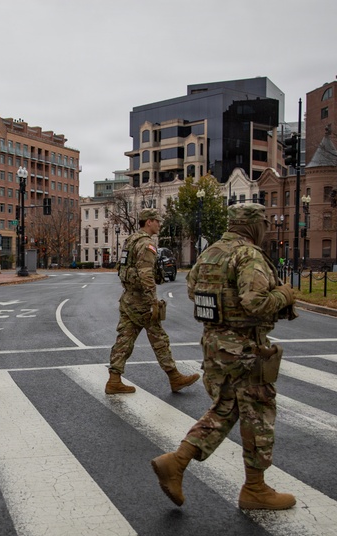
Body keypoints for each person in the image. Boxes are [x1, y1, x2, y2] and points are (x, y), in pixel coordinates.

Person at [150, 203, 298, 510]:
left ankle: (176, 463)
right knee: (258, 413)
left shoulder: (210, 253)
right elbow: (255, 301)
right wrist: (285, 294)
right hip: (245, 348)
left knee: (227, 407)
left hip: (214, 344)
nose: (266, 229)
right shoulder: (249, 255)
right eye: (263, 224)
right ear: (253, 225)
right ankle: (255, 489)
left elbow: (193, 290)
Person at [106, 208, 199, 395]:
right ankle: (174, 377)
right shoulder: (146, 244)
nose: (159, 224)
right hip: (141, 301)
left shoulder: (131, 240)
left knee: (125, 339)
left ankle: (114, 380)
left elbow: (123, 268)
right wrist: (152, 301)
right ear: (148, 222)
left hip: (128, 298)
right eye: (157, 220)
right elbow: (146, 273)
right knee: (159, 339)